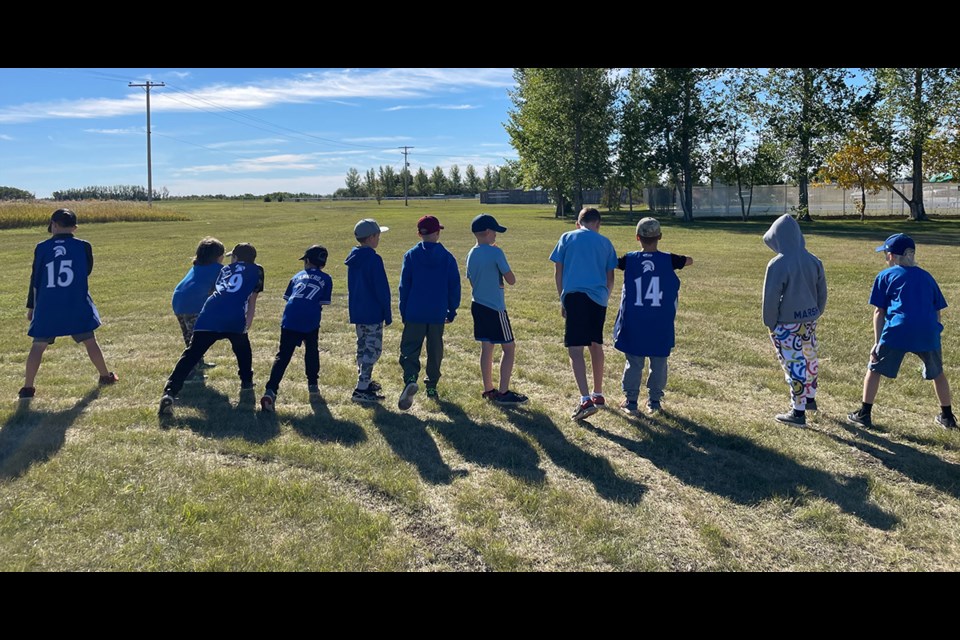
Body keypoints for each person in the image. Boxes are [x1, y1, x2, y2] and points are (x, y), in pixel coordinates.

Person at [847, 233, 956, 430]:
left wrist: (877, 342)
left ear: (891, 255)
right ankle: (947, 417)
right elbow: (937, 309)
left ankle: (864, 413)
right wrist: (935, 331)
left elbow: (879, 311)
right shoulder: (926, 276)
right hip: (928, 332)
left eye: (886, 253)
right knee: (938, 373)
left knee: (874, 368)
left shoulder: (885, 276)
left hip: (897, 330)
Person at [19, 208, 118, 399]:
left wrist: (31, 306)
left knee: (38, 346)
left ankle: (27, 388)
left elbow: (35, 278)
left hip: (48, 305)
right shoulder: (84, 246)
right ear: (75, 227)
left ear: (54, 225)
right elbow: (86, 270)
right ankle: (105, 376)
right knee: (90, 341)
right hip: (75, 302)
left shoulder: (41, 248)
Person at [158, 243, 264, 415]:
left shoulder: (225, 270)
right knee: (242, 349)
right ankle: (246, 382)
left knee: (191, 354)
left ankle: (170, 391)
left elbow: (221, 291)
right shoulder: (257, 270)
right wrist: (247, 324)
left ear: (235, 258)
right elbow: (252, 300)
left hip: (208, 313)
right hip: (233, 315)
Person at [612, 217, 693, 416]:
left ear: (637, 237)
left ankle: (631, 401)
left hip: (634, 322)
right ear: (660, 237)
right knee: (659, 362)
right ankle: (654, 401)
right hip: (660, 323)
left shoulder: (629, 260)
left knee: (634, 362)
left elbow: (613, 262)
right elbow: (689, 260)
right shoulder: (669, 259)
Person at [549, 207, 618, 421]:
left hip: (575, 297)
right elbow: (611, 278)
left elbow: (558, 272)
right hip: (598, 299)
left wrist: (563, 298)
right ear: (598, 224)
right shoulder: (605, 242)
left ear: (578, 223)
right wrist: (604, 297)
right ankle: (598, 394)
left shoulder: (567, 237)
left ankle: (585, 399)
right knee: (596, 344)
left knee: (576, 349)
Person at [762, 213, 828, 427]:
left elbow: (771, 297)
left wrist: (770, 322)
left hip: (785, 325)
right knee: (809, 358)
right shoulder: (814, 261)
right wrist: (816, 312)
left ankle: (797, 412)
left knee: (793, 365)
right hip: (808, 321)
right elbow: (822, 292)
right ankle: (810, 398)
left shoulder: (777, 264)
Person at [397, 215, 461, 410]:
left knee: (410, 348)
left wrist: (403, 309)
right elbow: (454, 285)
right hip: (437, 312)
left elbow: (404, 286)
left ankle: (410, 378)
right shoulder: (448, 257)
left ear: (419, 234)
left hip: (414, 311)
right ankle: (431, 385)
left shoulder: (410, 255)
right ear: (438, 233)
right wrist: (452, 309)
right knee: (435, 349)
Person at [260, 245, 332, 412]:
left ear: (307, 261)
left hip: (290, 318)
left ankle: (271, 390)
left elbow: (290, 298)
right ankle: (313, 385)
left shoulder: (296, 276)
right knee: (312, 350)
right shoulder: (326, 278)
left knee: (283, 356)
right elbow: (322, 302)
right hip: (310, 320)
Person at [465, 213, 528, 405]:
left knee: (487, 347)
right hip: (495, 308)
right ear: (486, 232)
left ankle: (488, 389)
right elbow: (512, 280)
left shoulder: (471, 253)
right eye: (495, 232)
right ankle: (503, 392)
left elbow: (470, 278)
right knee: (509, 348)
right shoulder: (496, 253)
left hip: (478, 305)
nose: (496, 236)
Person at [345, 218, 391, 404]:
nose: (379, 239)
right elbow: (381, 288)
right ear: (372, 237)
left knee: (363, 348)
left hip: (358, 311)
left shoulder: (353, 257)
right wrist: (387, 312)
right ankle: (361, 389)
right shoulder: (373, 259)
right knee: (372, 351)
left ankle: (364, 381)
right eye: (378, 235)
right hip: (372, 312)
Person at [171, 237, 225, 380]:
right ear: (219, 257)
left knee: (190, 338)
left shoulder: (197, 266)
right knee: (198, 340)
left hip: (178, 302)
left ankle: (198, 363)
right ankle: (188, 373)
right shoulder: (218, 269)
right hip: (192, 306)